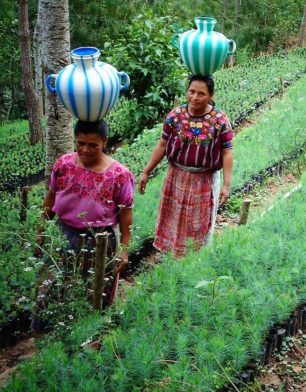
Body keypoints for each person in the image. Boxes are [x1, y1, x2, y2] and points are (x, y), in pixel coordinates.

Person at [35, 119, 134, 310]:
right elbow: (50, 198)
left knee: (94, 293)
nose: (86, 150)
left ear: (104, 142)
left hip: (100, 240)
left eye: (93, 145)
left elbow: (125, 215)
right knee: (51, 289)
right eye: (80, 143)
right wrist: (41, 229)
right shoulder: (63, 164)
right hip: (63, 233)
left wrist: (124, 249)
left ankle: (89, 334)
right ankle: (50, 332)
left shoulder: (119, 175)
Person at [138, 74, 234, 258]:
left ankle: (195, 261)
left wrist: (226, 184)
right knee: (174, 218)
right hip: (176, 176)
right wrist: (146, 172)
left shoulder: (220, 120)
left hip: (204, 179)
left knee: (199, 224)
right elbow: (162, 144)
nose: (195, 97)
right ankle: (174, 258)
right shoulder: (176, 115)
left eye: (201, 93)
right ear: (186, 91)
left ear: (211, 95)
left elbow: (227, 152)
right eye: (191, 91)